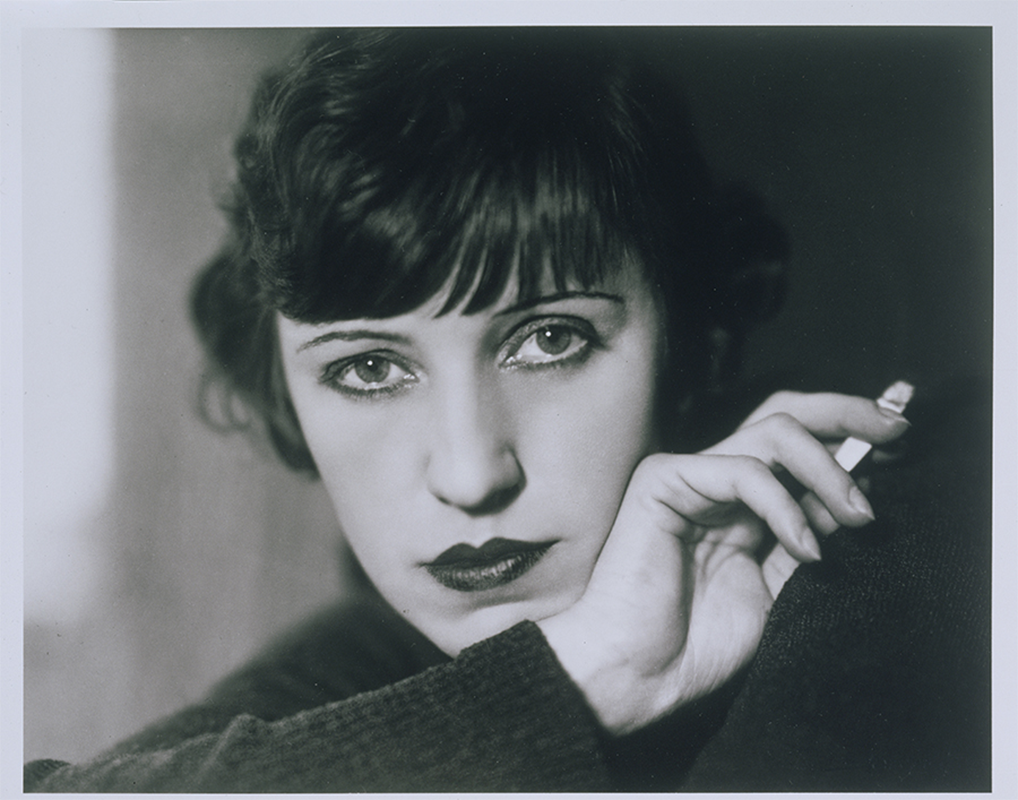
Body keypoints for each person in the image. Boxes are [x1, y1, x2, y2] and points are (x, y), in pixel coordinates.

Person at [25, 27, 989, 792]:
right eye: (367, 369)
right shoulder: (378, 660)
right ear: (287, 397)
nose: (471, 472)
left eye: (550, 339)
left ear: (692, 331)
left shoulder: (925, 508)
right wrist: (575, 680)